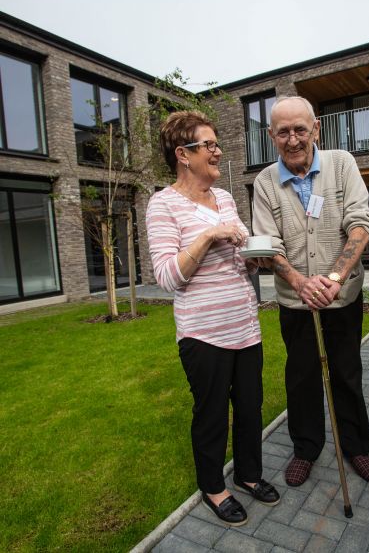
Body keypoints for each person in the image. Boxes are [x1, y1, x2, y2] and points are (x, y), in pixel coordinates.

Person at [145, 110, 279, 527]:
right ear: (183, 154)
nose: (218, 152)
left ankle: (249, 475)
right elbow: (168, 276)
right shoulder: (162, 204)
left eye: (217, 144)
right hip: (204, 334)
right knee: (212, 414)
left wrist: (255, 257)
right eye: (210, 145)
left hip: (245, 324)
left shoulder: (223, 198)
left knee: (252, 407)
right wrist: (208, 235)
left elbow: (241, 257)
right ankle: (213, 487)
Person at [252, 96, 369, 488]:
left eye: (300, 130)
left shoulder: (342, 164)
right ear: (271, 135)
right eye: (283, 132)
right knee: (302, 377)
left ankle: (356, 446)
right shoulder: (264, 182)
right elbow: (268, 245)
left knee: (347, 372)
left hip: (342, 296)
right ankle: (306, 449)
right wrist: (302, 284)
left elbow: (361, 223)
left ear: (316, 129)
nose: (292, 139)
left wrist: (334, 278)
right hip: (295, 301)